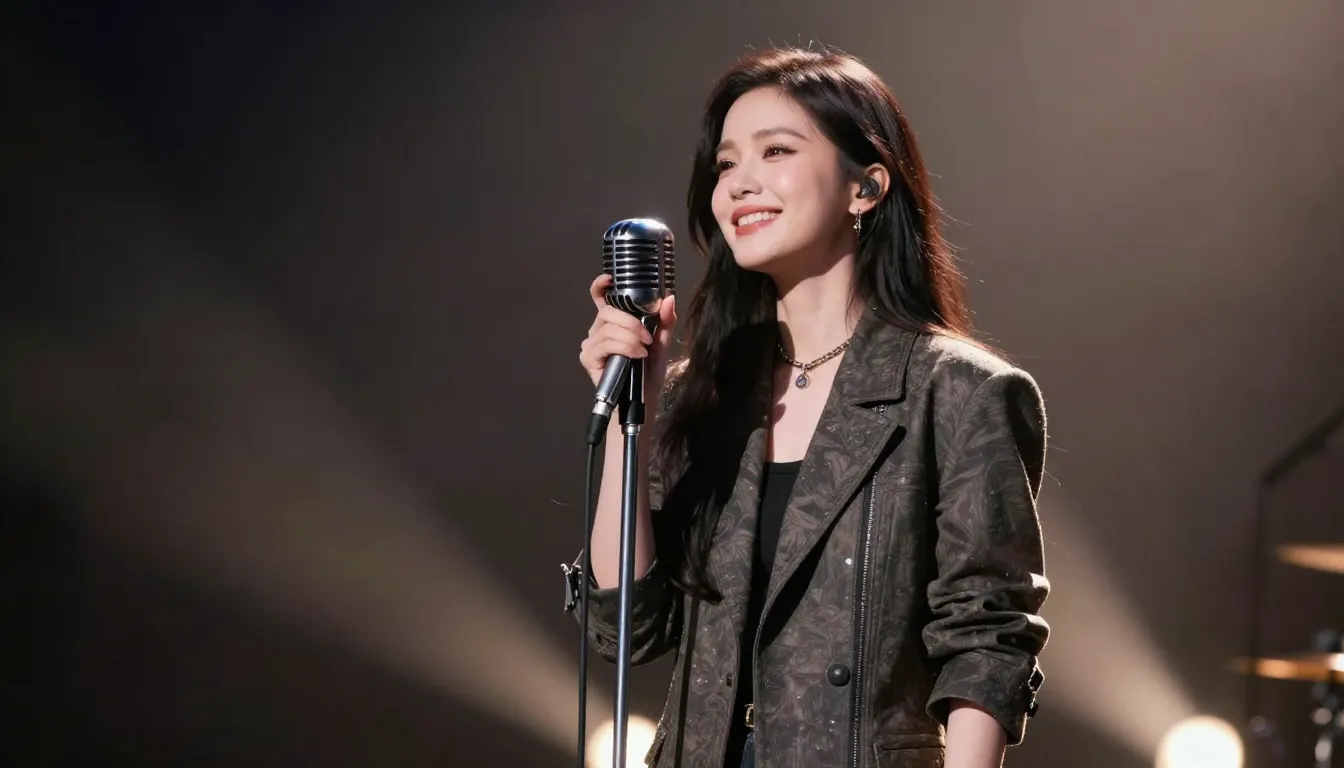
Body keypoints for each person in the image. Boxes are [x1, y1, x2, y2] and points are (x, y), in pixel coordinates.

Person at [574, 45, 1050, 768]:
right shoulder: (705, 396)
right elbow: (628, 629)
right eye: (725, 164)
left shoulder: (958, 391)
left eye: (776, 151)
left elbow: (987, 640)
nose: (740, 183)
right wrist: (628, 408)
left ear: (866, 188)